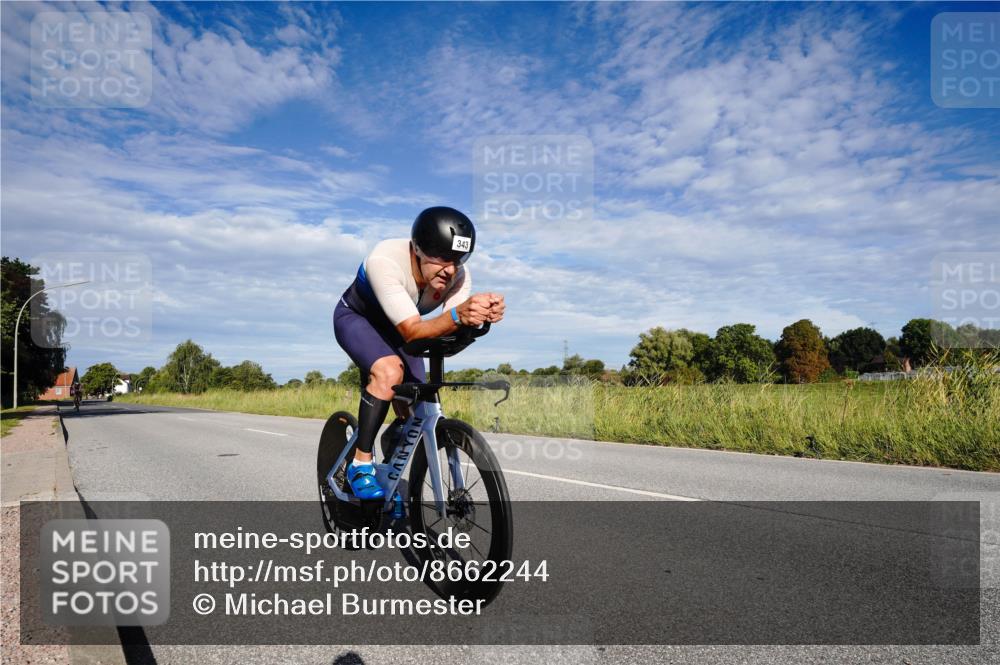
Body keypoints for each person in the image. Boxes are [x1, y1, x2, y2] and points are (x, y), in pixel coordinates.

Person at [333, 206, 504, 499]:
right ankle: (360, 464)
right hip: (358, 320)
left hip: (402, 328)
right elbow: (415, 331)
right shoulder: (384, 260)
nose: (450, 270)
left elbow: (448, 327)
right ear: (418, 250)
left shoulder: (459, 275)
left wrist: (479, 318)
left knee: (416, 402)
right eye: (441, 259)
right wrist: (459, 315)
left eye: (458, 259)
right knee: (389, 373)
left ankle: (389, 469)